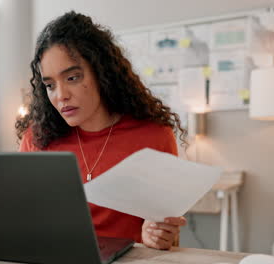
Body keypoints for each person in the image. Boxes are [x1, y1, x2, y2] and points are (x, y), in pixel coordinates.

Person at [15, 11, 187, 250]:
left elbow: (169, 236)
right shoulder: (37, 138)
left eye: (72, 78)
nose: (61, 95)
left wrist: (155, 236)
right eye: (50, 85)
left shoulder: (154, 136)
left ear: (102, 73)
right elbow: (21, 218)